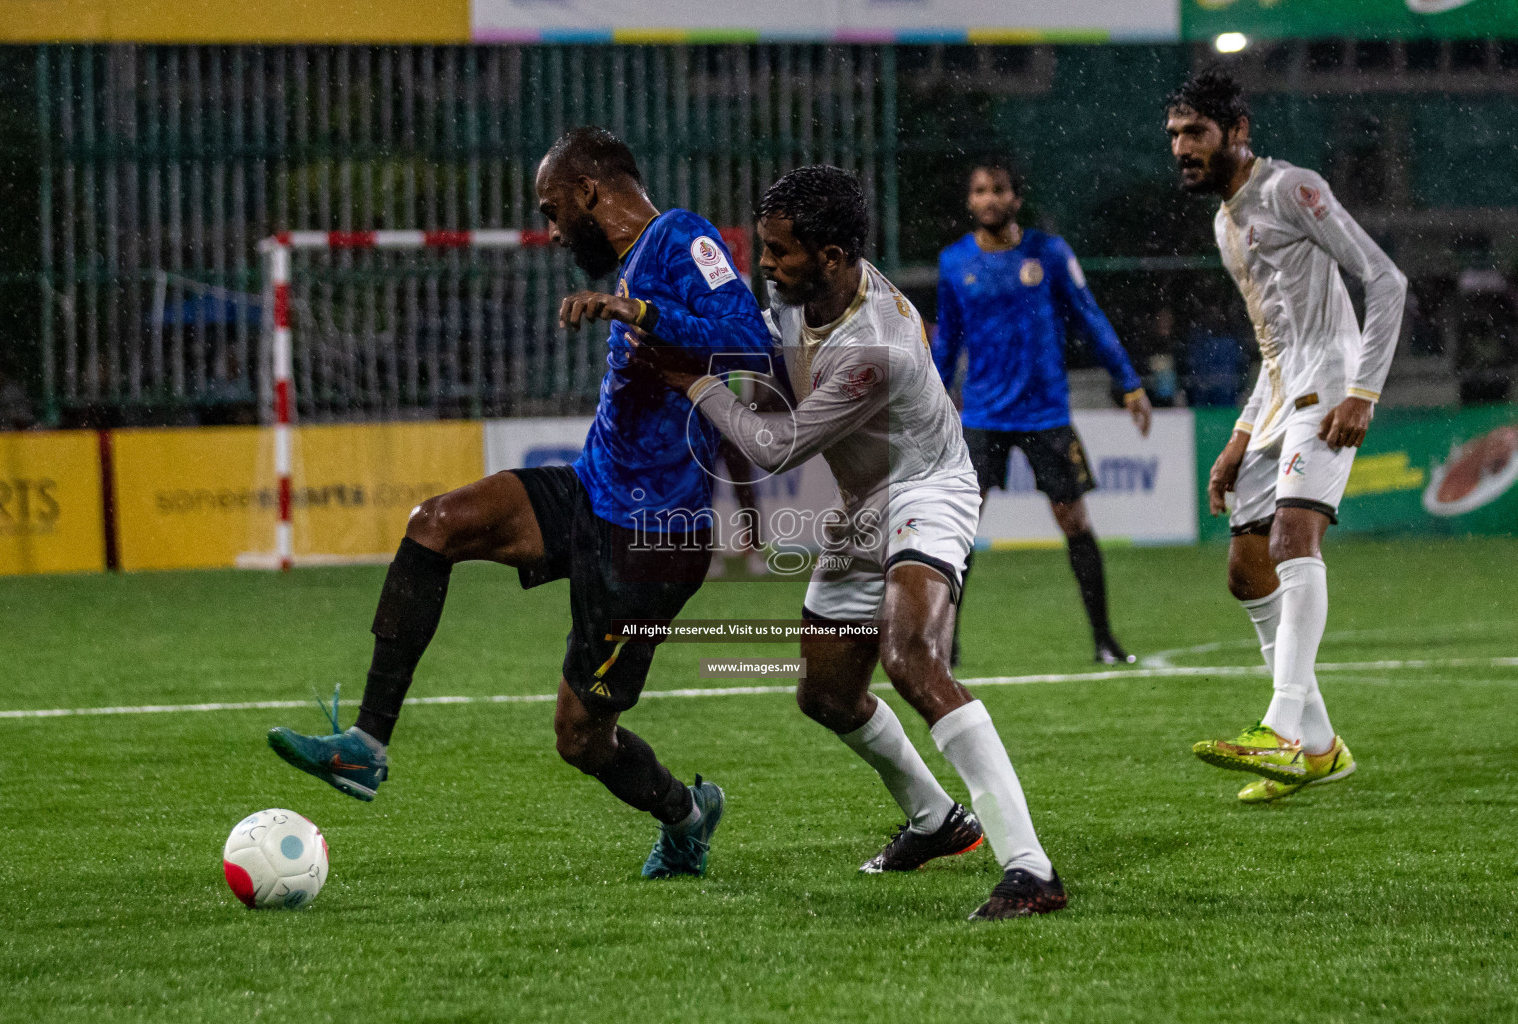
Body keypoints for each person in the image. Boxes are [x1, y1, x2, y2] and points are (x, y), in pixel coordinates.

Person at [266, 126, 781, 877]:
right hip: (592, 491)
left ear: (589, 192)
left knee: (582, 739)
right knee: (435, 524)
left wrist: (640, 314)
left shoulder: (681, 238)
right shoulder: (630, 263)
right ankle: (367, 746)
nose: (549, 230)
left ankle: (686, 813)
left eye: (551, 209)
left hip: (655, 540)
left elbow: (753, 345)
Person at [632, 165, 1065, 921]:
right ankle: (937, 821)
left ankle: (1030, 868)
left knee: (912, 659)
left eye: (779, 252)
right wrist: (655, 315)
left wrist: (687, 380)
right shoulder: (805, 292)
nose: (765, 264)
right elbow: (758, 345)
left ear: (831, 257)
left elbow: (775, 447)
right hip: (867, 499)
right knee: (826, 694)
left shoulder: (879, 344)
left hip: (928, 491)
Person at [1166, 69, 1406, 803]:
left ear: (1236, 132)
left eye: (1195, 133)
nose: (1181, 148)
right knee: (1246, 570)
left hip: (1331, 392)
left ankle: (1282, 726)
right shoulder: (1223, 221)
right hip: (1281, 398)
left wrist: (1363, 391)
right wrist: (1241, 436)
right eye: (1174, 135)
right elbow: (1274, 345)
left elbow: (1386, 279)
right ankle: (1322, 748)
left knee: (1293, 539)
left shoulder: (1291, 188)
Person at [932, 156, 1152, 668]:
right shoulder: (954, 263)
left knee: (1073, 520)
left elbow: (1090, 316)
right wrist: (934, 402)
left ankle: (1103, 640)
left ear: (1015, 198)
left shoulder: (1049, 254)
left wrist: (1130, 383)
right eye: (981, 190)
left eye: (999, 189)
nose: (989, 199)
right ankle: (943, 644)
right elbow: (947, 344)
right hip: (982, 416)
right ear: (971, 201)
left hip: (1046, 414)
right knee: (960, 530)